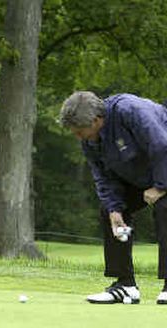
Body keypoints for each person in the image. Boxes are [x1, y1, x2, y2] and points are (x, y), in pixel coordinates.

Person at [59, 91, 167, 305]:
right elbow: (104, 177)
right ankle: (125, 285)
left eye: (80, 132)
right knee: (110, 211)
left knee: (165, 207)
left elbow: (162, 146)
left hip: (164, 166)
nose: (79, 137)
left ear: (97, 120)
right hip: (143, 175)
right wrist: (114, 209)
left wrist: (161, 187)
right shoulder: (90, 140)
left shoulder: (130, 110)